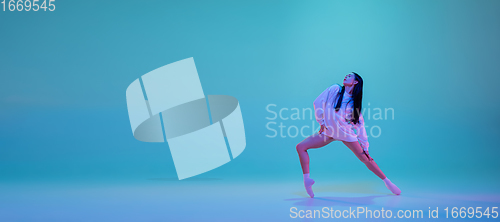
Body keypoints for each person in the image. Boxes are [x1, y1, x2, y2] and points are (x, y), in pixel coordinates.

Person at [295, 72, 401, 198]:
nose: (346, 76)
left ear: (355, 82)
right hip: (329, 132)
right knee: (300, 147)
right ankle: (307, 180)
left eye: (350, 76)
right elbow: (317, 102)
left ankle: (387, 182)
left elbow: (360, 127)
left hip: (346, 134)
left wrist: (365, 147)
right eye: (346, 75)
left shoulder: (353, 104)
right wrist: (321, 121)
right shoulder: (335, 90)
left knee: (365, 159)